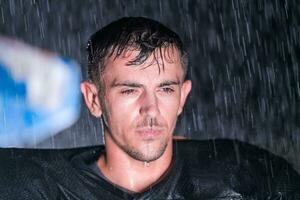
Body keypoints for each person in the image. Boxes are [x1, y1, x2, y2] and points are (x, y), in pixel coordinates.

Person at [0, 17, 300, 200]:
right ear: (93, 99)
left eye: (165, 89)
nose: (151, 109)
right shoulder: (25, 183)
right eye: (130, 90)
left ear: (182, 97)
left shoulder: (250, 178)